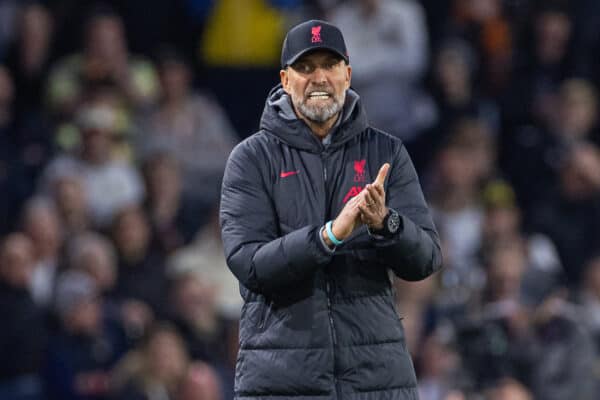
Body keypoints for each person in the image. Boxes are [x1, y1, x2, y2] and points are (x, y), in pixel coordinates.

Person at [219, 20, 443, 400]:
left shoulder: (386, 153)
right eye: (305, 68)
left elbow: (426, 258)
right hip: (282, 381)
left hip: (376, 379)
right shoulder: (251, 159)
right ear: (285, 80)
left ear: (348, 75)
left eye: (330, 65)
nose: (319, 77)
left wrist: (386, 224)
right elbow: (248, 261)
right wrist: (327, 236)